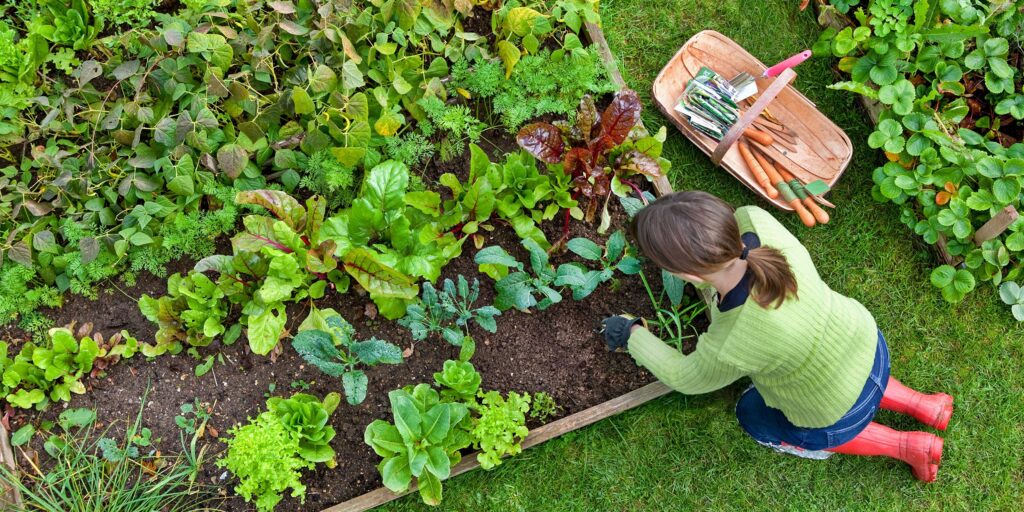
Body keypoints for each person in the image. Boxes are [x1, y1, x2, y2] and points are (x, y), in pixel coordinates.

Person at [602, 191, 953, 482]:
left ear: (685, 274)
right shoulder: (756, 221)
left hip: (833, 410)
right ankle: (926, 405)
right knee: (848, 373)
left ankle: (908, 447)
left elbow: (686, 377)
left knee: (752, 414)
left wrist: (630, 334)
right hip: (866, 343)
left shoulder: (733, 340)